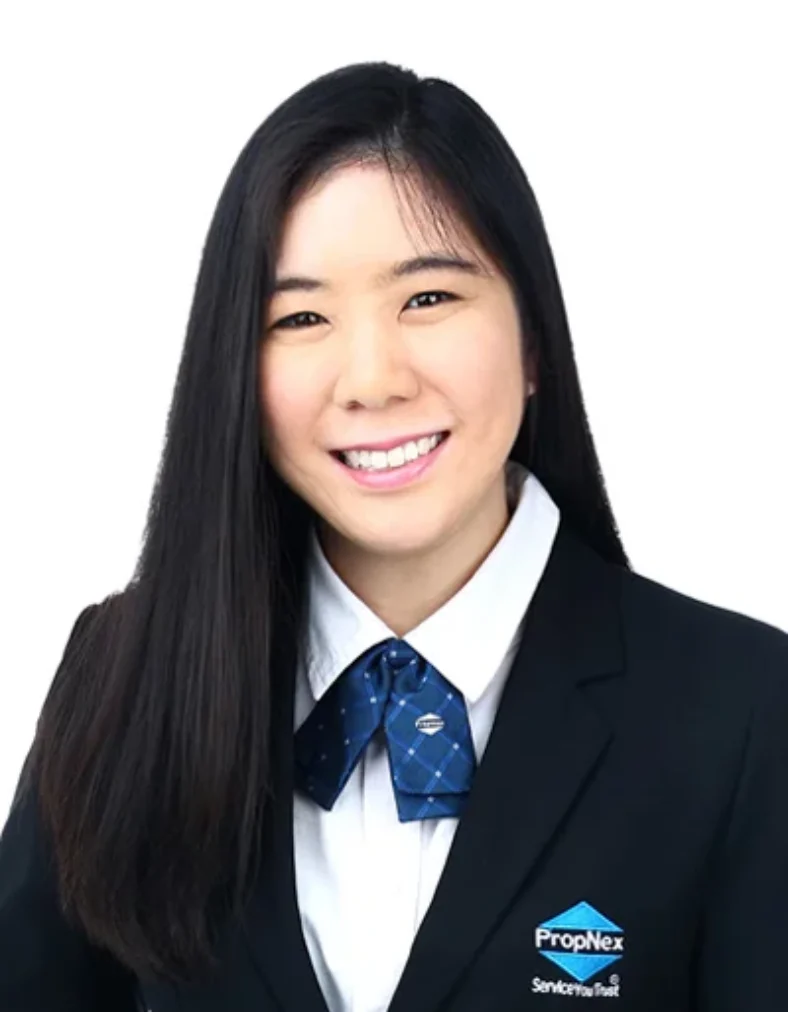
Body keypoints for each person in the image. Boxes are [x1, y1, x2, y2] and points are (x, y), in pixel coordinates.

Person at [0, 60, 786, 1012]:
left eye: (428, 299)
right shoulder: (120, 673)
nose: (372, 380)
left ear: (534, 340)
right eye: (301, 316)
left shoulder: (746, 711)